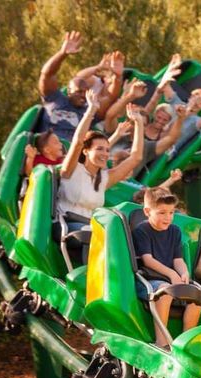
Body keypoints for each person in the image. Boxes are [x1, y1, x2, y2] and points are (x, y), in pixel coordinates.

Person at [57, 89, 146, 260]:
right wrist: (91, 109)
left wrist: (139, 123)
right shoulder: (71, 170)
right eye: (99, 149)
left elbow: (136, 157)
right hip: (68, 227)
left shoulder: (103, 178)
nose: (105, 154)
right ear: (86, 151)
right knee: (106, 238)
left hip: (92, 229)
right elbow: (77, 141)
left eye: (107, 150)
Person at [132, 188, 201, 347]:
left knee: (197, 296)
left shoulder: (175, 231)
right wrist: (171, 274)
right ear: (148, 211)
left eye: (171, 212)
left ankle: (186, 343)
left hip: (171, 279)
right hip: (149, 280)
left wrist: (184, 272)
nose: (168, 217)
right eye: (162, 213)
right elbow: (148, 260)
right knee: (164, 291)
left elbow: (178, 259)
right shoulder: (142, 230)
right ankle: (162, 342)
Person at [36, 31, 123, 141]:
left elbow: (110, 98)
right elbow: (47, 74)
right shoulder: (54, 99)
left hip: (69, 153)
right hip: (45, 148)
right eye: (79, 91)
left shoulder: (89, 111)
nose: (83, 95)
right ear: (69, 91)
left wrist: (118, 77)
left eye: (85, 92)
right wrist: (62, 54)